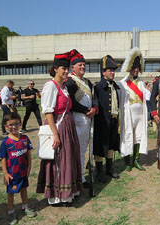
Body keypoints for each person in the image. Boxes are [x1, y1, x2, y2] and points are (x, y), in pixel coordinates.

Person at [36, 51, 82, 206]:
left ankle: (68, 193)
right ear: (55, 68)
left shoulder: (64, 87)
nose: (66, 71)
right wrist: (55, 135)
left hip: (68, 126)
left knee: (68, 159)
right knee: (58, 160)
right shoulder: (51, 86)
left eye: (67, 68)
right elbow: (48, 111)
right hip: (57, 126)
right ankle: (57, 196)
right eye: (63, 68)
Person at [65, 49, 98, 188]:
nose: (83, 67)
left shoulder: (88, 82)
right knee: (75, 150)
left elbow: (94, 98)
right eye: (80, 65)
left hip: (87, 119)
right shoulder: (70, 82)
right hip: (77, 118)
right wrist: (86, 110)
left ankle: (81, 178)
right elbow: (71, 102)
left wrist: (94, 109)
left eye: (84, 65)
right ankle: (74, 177)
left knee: (83, 149)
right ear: (73, 68)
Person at [0, 112, 36, 225]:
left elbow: (28, 154)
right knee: (11, 193)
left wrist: (29, 167)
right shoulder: (5, 142)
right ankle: (11, 212)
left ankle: (25, 207)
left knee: (24, 189)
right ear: (6, 126)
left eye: (16, 124)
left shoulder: (25, 138)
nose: (13, 127)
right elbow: (3, 158)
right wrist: (5, 173)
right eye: (10, 125)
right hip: (12, 174)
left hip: (23, 172)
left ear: (20, 124)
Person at [118, 48, 148, 171]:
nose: (136, 70)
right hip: (128, 114)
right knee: (128, 136)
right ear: (129, 68)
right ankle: (127, 160)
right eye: (134, 68)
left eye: (137, 68)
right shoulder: (122, 83)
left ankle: (135, 160)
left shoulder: (142, 83)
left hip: (140, 114)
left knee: (138, 137)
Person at [93, 55, 120, 183]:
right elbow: (96, 103)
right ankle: (99, 171)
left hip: (113, 120)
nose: (113, 73)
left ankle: (109, 168)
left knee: (111, 145)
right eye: (110, 71)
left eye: (114, 71)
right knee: (100, 146)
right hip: (102, 121)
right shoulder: (98, 87)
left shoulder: (115, 85)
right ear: (104, 73)